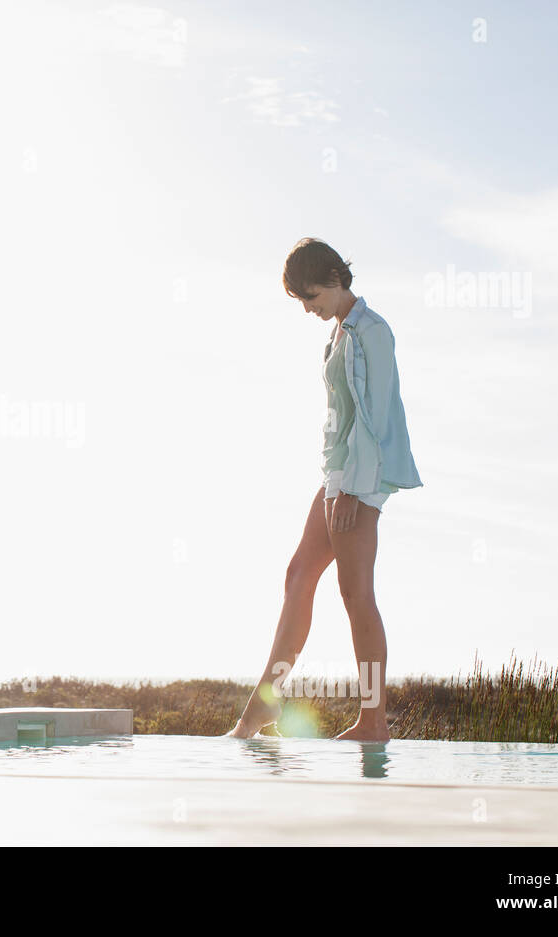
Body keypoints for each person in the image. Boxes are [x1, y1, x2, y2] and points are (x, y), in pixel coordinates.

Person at [224, 238, 423, 742]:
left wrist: (351, 493)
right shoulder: (338, 334)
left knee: (356, 594)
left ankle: (374, 722)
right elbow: (339, 421)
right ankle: (263, 707)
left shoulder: (373, 332)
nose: (308, 308)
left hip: (364, 480)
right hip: (337, 478)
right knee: (297, 576)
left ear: (335, 278)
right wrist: (333, 484)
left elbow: (373, 422)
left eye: (310, 296)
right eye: (301, 301)